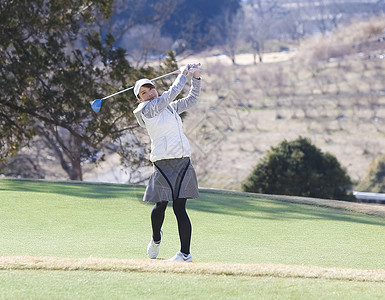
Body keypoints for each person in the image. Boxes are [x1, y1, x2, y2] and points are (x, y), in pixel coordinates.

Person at [133, 63, 202, 262]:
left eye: (151, 88)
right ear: (140, 98)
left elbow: (192, 99)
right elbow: (169, 95)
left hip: (182, 161)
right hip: (163, 163)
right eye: (144, 92)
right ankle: (156, 238)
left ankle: (185, 254)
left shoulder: (170, 108)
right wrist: (182, 76)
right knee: (160, 206)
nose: (149, 93)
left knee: (180, 209)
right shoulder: (146, 110)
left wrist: (195, 77)